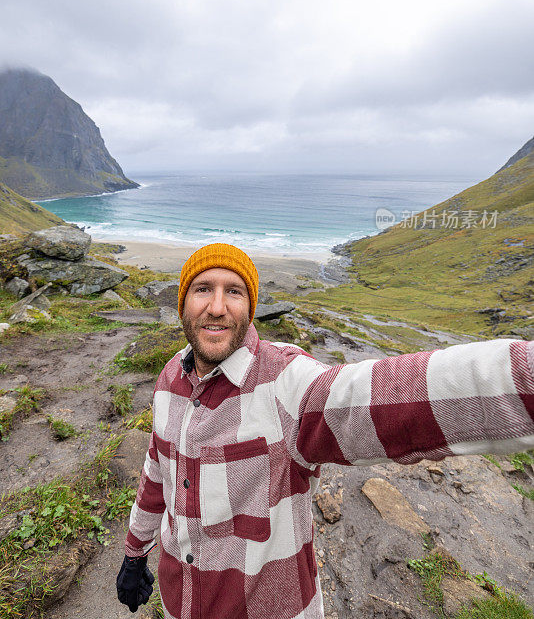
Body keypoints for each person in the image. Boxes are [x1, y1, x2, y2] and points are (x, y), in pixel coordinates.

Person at [117, 243, 534, 618]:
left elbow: (382, 395)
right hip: (179, 602)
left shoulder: (285, 384)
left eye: (235, 291)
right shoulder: (171, 377)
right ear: (183, 303)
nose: (217, 306)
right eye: (203, 288)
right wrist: (135, 553)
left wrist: (521, 379)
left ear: (250, 307)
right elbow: (157, 469)